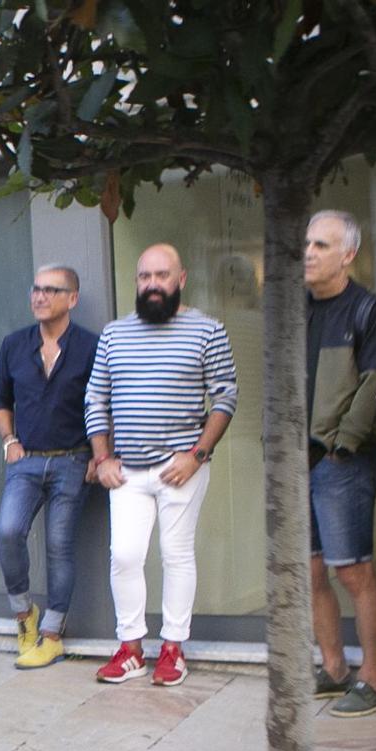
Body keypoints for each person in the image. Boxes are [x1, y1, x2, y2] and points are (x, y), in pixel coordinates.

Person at [87, 243, 239, 686]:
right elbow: (96, 398)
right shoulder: (115, 335)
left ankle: (173, 648)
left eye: (161, 275)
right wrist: (101, 458)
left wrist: (197, 456)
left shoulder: (208, 330)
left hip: (180, 468)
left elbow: (225, 396)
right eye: (144, 277)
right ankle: (130, 648)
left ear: (181, 278)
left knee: (176, 555)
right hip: (126, 471)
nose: (152, 284)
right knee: (125, 556)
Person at [302, 210, 376, 718]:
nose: (309, 252)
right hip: (298, 462)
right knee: (313, 570)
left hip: (343, 462)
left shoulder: (368, 308)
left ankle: (375, 680)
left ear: (348, 254)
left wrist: (341, 445)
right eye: (307, 244)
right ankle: (335, 669)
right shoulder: (296, 309)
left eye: (322, 244)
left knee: (353, 571)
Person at [0, 265, 98, 669]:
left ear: (72, 298)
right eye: (35, 288)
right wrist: (9, 441)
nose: (39, 296)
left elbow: (104, 404)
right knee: (9, 531)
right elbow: (0, 399)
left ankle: (51, 635)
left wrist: (98, 454)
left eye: (51, 290)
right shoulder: (14, 344)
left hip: (73, 461)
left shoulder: (91, 346)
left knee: (59, 546)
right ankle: (24, 616)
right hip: (26, 460)